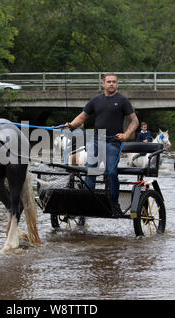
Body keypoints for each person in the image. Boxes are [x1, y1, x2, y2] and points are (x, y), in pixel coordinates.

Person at [65, 73, 139, 216]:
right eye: (109, 82)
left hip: (113, 143)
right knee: (91, 170)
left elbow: (134, 121)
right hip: (96, 141)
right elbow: (82, 117)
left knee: (111, 172)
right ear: (103, 84)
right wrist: (71, 124)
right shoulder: (96, 101)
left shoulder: (123, 101)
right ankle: (87, 203)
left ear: (117, 84)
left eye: (114, 82)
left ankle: (114, 204)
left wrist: (126, 135)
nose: (111, 84)